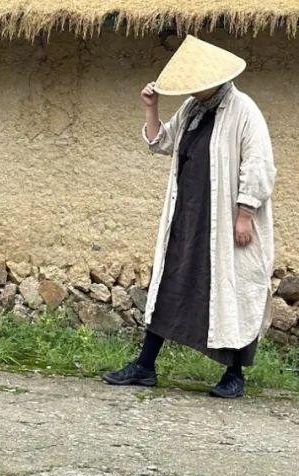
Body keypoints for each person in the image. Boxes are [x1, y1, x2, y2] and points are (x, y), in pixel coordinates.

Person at [103, 34, 276, 399]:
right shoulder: (192, 110)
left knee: (233, 288)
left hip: (226, 220)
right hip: (188, 216)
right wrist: (151, 107)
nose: (193, 90)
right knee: (171, 283)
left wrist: (245, 214)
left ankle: (234, 375)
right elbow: (161, 143)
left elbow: (259, 166)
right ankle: (145, 366)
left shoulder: (244, 111)